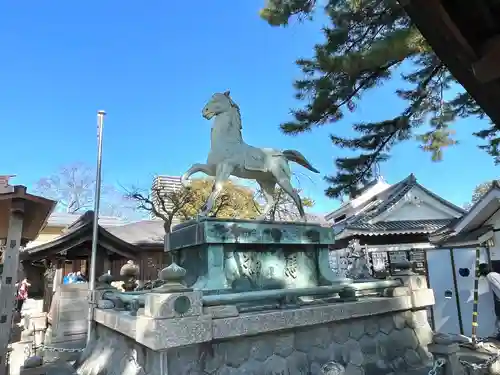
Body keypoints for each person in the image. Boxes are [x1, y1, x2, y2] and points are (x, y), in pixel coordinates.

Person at [478, 263, 500, 339]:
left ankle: (497, 334)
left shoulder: (490, 276)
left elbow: (498, 286)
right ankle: (497, 334)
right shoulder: (494, 274)